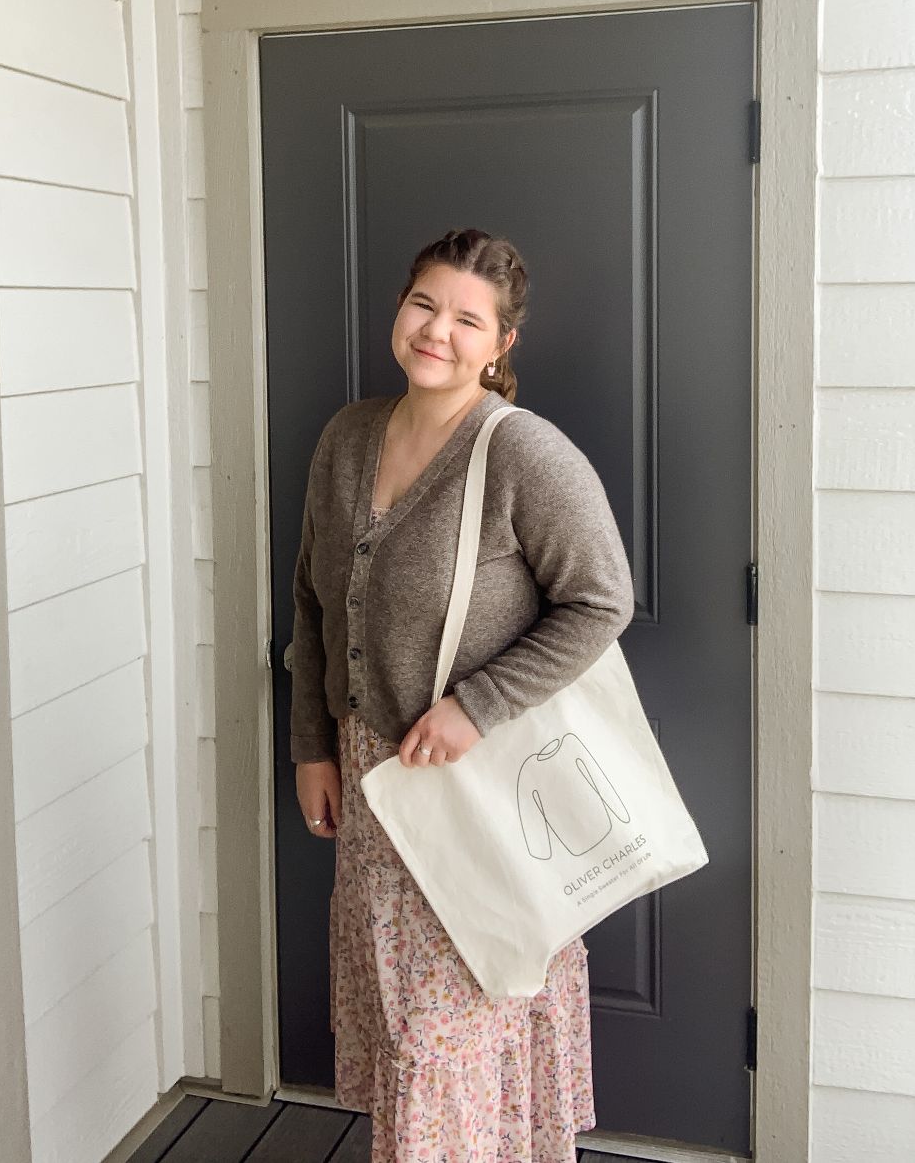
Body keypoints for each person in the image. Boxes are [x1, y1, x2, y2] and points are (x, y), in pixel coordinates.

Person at [289, 226, 635, 1162]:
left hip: (477, 783)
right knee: (414, 1028)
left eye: (466, 319)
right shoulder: (348, 437)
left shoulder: (524, 453)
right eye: (423, 305)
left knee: (457, 1026)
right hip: (371, 782)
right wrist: (312, 745)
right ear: (399, 311)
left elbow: (602, 602)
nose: (436, 331)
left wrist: (474, 705)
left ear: (500, 344)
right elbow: (314, 604)